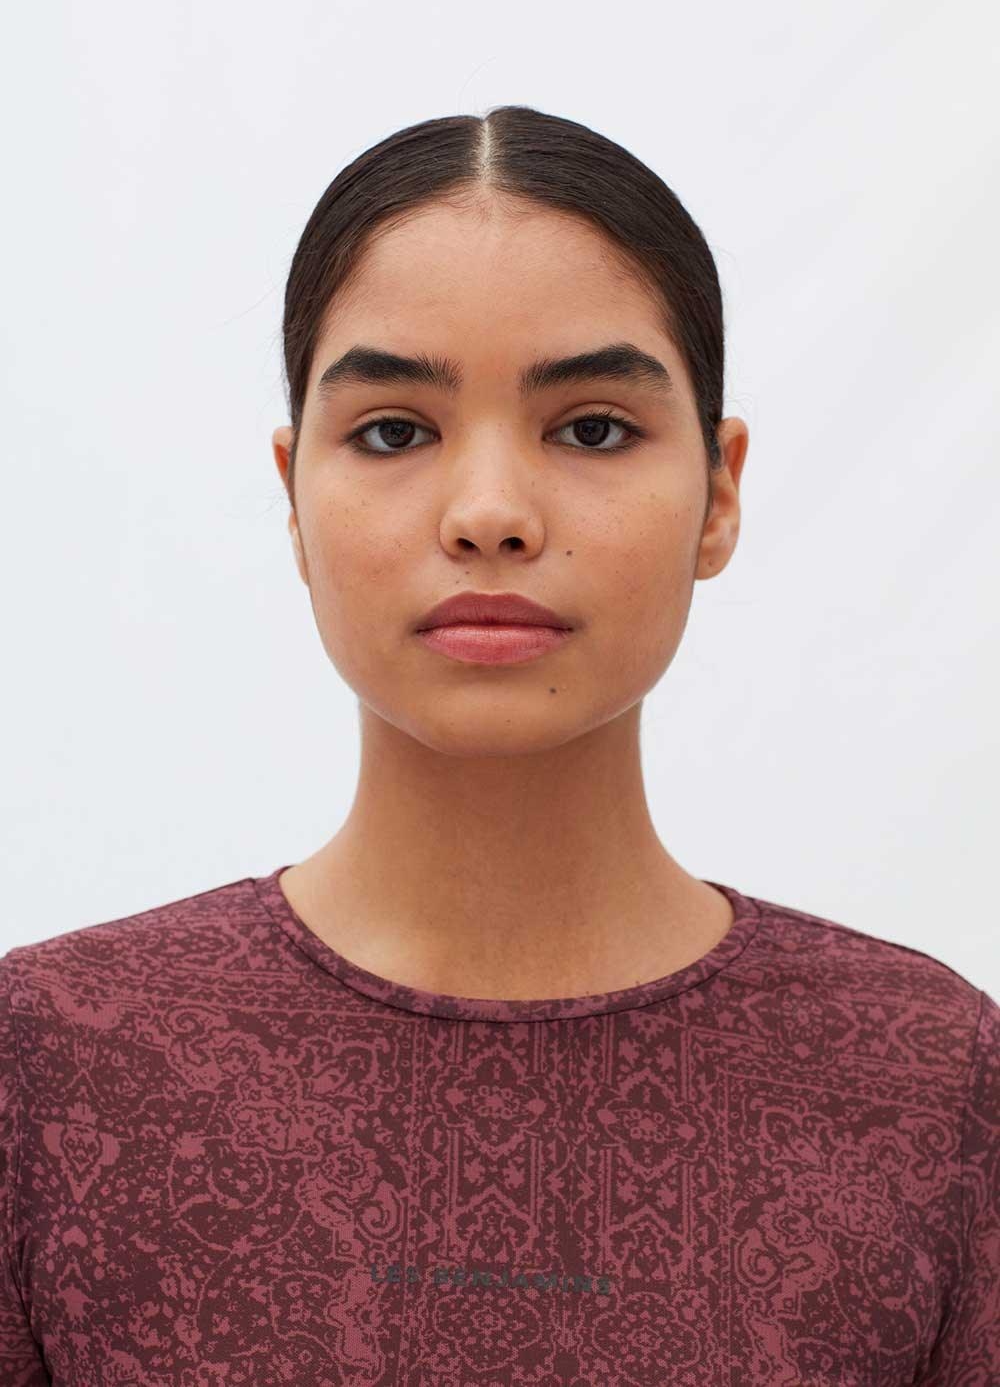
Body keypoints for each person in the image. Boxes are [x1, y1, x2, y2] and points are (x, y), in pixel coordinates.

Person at [1, 106, 996, 1384]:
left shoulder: (928, 1081)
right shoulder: (54, 1063)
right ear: (293, 493)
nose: (488, 515)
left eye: (591, 428)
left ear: (719, 492)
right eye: (393, 431)